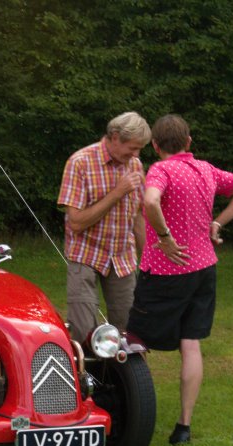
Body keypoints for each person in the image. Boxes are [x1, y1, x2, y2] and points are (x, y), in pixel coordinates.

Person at [127, 114, 233, 445]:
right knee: (191, 343)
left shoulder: (160, 170)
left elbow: (150, 200)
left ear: (155, 145)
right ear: (188, 142)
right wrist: (218, 223)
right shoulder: (206, 169)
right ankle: (183, 426)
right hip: (203, 270)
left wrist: (164, 237)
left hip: (165, 274)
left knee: (134, 340)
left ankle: (131, 411)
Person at [57, 111, 150, 344]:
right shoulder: (80, 162)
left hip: (122, 258)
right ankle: (85, 367)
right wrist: (117, 193)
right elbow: (76, 222)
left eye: (139, 149)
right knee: (83, 332)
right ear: (115, 137)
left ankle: (122, 369)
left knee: (130, 332)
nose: (136, 155)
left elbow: (138, 216)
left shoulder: (135, 165)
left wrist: (149, 261)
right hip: (85, 255)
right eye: (133, 148)